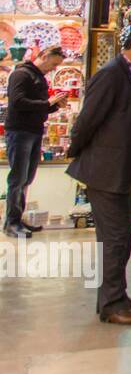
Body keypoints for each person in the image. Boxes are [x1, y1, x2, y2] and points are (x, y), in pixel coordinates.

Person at [66, 27, 131, 326]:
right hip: (109, 170)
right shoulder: (112, 75)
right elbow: (88, 119)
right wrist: (77, 150)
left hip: (129, 169)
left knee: (122, 237)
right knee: (114, 239)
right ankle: (111, 304)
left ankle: (117, 294)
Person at [3, 46, 68, 238]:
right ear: (44, 56)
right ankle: (11, 223)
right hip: (20, 131)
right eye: (53, 64)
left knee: (26, 178)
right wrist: (48, 103)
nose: (53, 68)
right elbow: (17, 102)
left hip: (33, 131)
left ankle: (16, 218)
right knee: (18, 178)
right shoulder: (21, 75)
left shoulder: (38, 77)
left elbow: (38, 108)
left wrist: (54, 106)